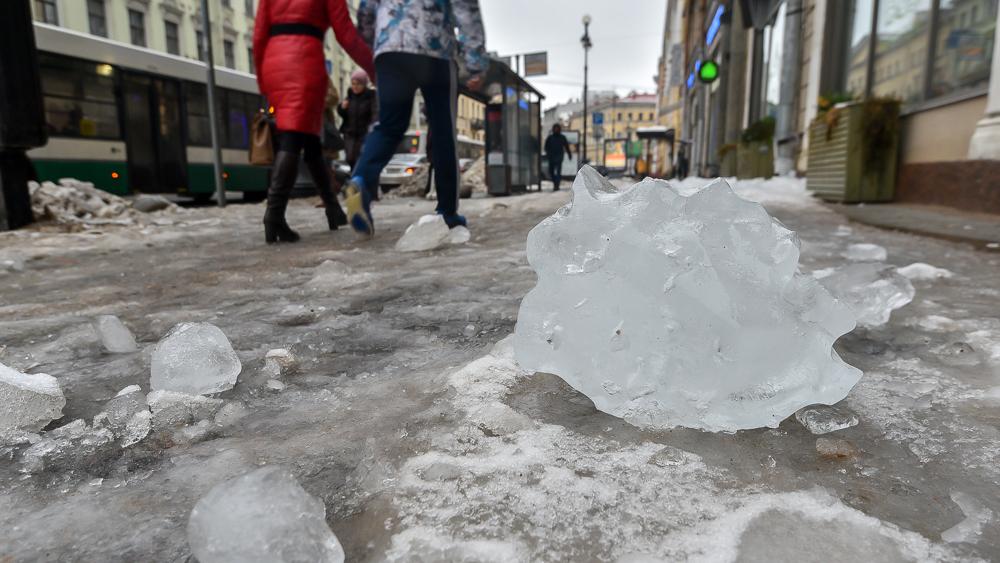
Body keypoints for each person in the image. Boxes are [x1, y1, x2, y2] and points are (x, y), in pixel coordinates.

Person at [343, 0, 487, 237]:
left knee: (389, 126)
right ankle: (448, 213)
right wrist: (476, 62)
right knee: (443, 130)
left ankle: (361, 180)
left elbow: (366, 10)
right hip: (434, 47)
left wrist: (378, 43)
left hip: (390, 47)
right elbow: (465, 8)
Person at [253, 0, 375, 244]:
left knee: (310, 143)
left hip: (274, 62)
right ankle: (274, 214)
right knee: (293, 138)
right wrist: (374, 67)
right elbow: (346, 34)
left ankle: (333, 209)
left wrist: (263, 78)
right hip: (304, 60)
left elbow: (258, 35)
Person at [337, 69, 376, 169]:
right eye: (353, 84)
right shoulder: (350, 95)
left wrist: (371, 128)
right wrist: (342, 108)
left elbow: (375, 114)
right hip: (349, 134)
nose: (355, 87)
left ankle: (358, 180)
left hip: (363, 134)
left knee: (360, 159)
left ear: (364, 84)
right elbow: (343, 114)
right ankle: (354, 178)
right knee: (349, 159)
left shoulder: (371, 96)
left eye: (358, 84)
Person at [543, 123, 572, 191]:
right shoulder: (550, 137)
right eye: (555, 128)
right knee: (551, 171)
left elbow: (566, 146)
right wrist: (548, 154)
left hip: (559, 156)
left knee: (558, 171)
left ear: (559, 129)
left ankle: (557, 185)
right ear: (553, 129)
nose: (556, 130)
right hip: (551, 157)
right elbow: (546, 147)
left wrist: (569, 154)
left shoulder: (562, 137)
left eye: (557, 128)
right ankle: (555, 183)